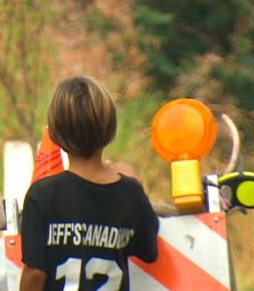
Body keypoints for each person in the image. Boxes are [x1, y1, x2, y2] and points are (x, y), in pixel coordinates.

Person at [19, 76, 158, 291]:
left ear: (55, 132)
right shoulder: (131, 193)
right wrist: (135, 183)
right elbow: (148, 251)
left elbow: (35, 271)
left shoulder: (43, 194)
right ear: (110, 128)